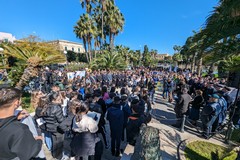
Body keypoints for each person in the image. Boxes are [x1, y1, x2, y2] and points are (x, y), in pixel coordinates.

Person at [0, 87, 42, 160]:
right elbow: (31, 153)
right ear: (16, 102)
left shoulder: (13, 127)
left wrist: (16, 118)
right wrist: (39, 141)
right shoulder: (20, 130)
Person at [42, 92, 65, 159]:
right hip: (57, 128)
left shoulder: (47, 105)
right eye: (59, 99)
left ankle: (54, 155)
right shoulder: (57, 107)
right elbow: (60, 120)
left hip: (50, 127)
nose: (60, 100)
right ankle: (59, 157)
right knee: (59, 143)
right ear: (54, 99)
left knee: (54, 142)